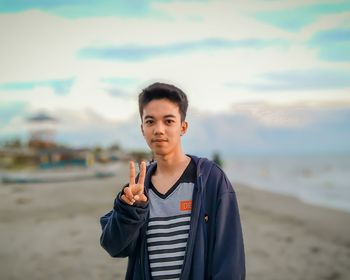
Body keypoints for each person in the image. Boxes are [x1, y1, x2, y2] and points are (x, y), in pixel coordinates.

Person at [100, 82, 245, 279]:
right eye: (150, 122)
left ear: (183, 127)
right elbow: (114, 247)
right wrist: (130, 210)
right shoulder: (138, 189)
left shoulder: (210, 179)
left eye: (168, 121)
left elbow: (230, 261)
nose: (159, 129)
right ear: (142, 128)